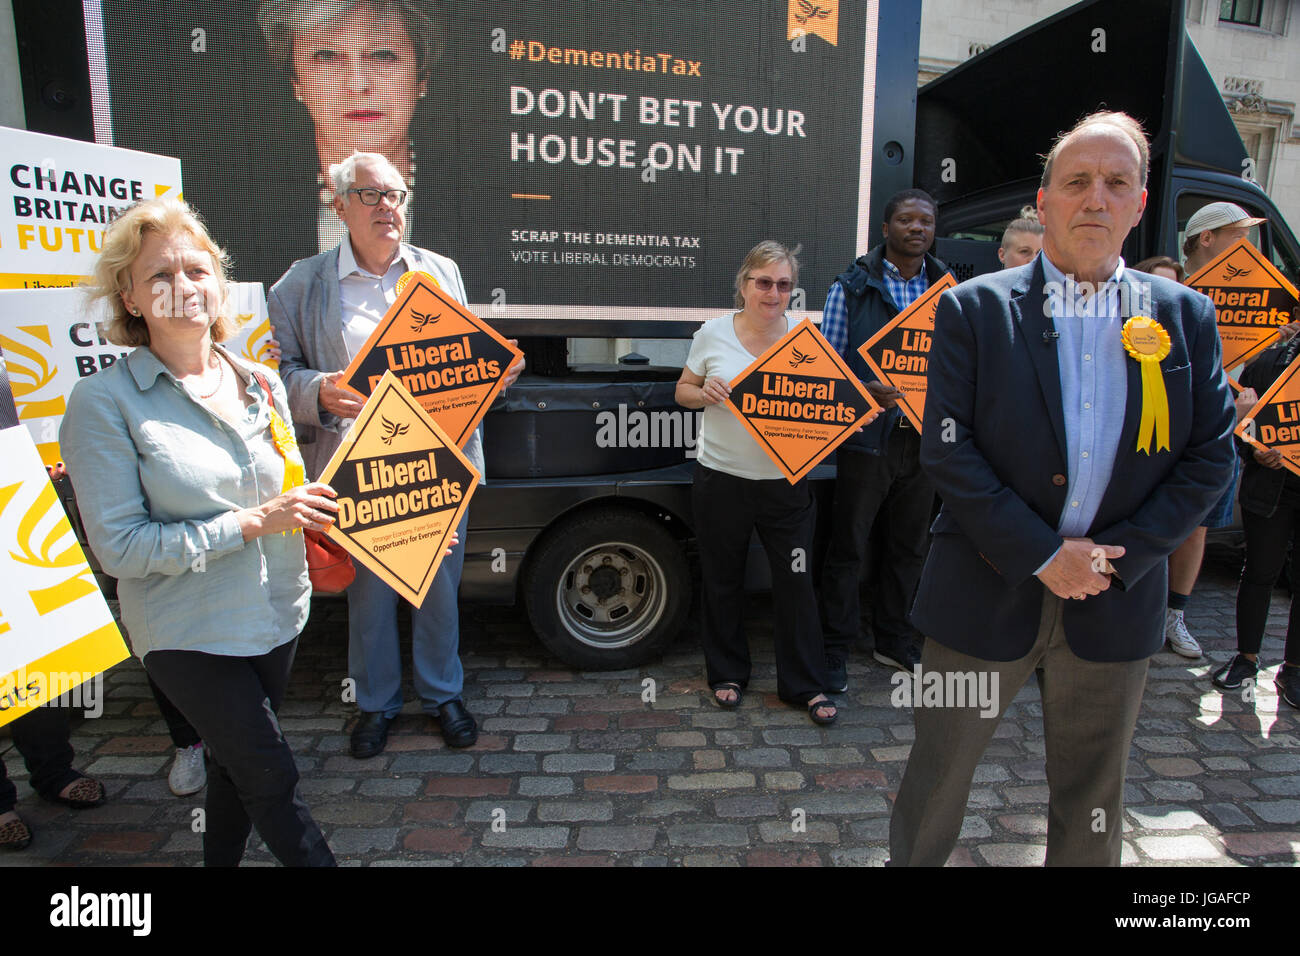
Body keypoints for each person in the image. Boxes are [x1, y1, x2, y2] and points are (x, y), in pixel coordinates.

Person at [889, 111, 1236, 866]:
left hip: (1116, 600)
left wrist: (1119, 558)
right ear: (1044, 202)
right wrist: (1044, 554)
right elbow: (949, 452)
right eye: (1077, 182)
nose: (1096, 199)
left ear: (1141, 205)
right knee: (936, 782)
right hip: (980, 594)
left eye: (1117, 183)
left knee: (1093, 799)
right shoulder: (972, 308)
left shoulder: (1186, 315)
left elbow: (1211, 458)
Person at [60, 197, 336, 866]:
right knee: (269, 771)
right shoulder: (103, 403)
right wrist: (247, 525)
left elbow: (293, 501)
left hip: (274, 614)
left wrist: (394, 535)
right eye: (160, 275)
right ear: (128, 296)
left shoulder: (261, 382)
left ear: (219, 282)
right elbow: (120, 547)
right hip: (187, 629)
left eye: (196, 269)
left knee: (232, 769)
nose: (183, 288)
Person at [271, 151, 523, 758]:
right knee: (371, 596)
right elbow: (276, 375)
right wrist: (318, 391)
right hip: (355, 464)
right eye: (372, 195)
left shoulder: (438, 272)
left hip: (436, 460)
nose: (389, 207)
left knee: (439, 585)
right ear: (339, 207)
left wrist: (495, 371)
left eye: (397, 195)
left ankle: (443, 696)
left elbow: (460, 360)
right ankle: (375, 705)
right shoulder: (300, 283)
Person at [675, 241, 847, 724]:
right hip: (721, 480)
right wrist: (702, 392)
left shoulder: (806, 337)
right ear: (744, 284)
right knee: (722, 579)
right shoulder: (712, 333)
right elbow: (682, 390)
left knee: (796, 584)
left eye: (784, 284)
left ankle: (806, 685)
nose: (774, 292)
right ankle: (727, 674)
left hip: (785, 486)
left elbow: (828, 403)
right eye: (764, 282)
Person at [818, 189, 951, 692]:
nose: (917, 228)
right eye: (906, 219)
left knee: (909, 547)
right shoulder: (851, 286)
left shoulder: (948, 289)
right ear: (885, 228)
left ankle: (894, 638)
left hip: (922, 441)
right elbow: (827, 366)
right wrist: (861, 389)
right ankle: (833, 646)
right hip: (866, 439)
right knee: (847, 547)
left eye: (926, 221)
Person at [1160, 202, 1282, 658]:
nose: (1248, 246)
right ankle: (1138, 609)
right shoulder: (1165, 288)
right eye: (1238, 235)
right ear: (1206, 238)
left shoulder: (1258, 297)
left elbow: (1258, 370)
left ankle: (1175, 616)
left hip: (1220, 433)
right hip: (1166, 430)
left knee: (1198, 528)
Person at [254, 0, 448, 265]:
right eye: (327, 56)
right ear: (296, 81)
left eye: (382, 54)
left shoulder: (477, 206)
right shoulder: (248, 209)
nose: (357, 84)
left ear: (420, 78)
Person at [1213, 334, 1300, 708]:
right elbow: (1241, 424)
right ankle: (1246, 659)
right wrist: (1255, 451)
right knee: (1260, 572)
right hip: (1270, 491)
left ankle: (1293, 669)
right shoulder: (1268, 362)